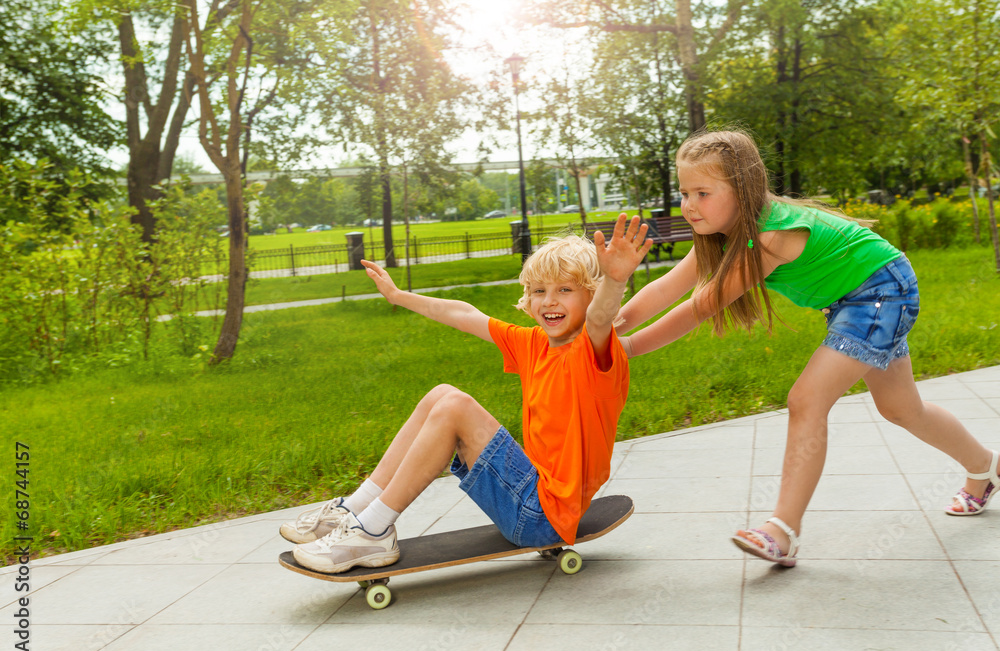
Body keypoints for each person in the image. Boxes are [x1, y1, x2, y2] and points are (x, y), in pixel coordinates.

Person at [615, 129, 997, 567]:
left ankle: (783, 531)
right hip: (860, 295)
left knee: (806, 399)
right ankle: (987, 468)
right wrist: (607, 324)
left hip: (881, 291)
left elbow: (699, 307)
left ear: (742, 189)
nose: (689, 205)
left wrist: (625, 349)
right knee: (901, 408)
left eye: (703, 192)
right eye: (684, 192)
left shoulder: (771, 236)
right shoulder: (725, 234)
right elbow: (667, 288)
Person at [280, 217, 652, 573]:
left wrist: (616, 280)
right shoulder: (534, 343)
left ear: (591, 295)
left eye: (565, 290)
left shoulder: (593, 351)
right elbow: (464, 314)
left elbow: (601, 318)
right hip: (528, 498)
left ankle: (373, 531)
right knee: (441, 394)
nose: (549, 302)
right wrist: (398, 296)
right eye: (539, 291)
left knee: (456, 406)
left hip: (543, 518)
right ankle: (354, 511)